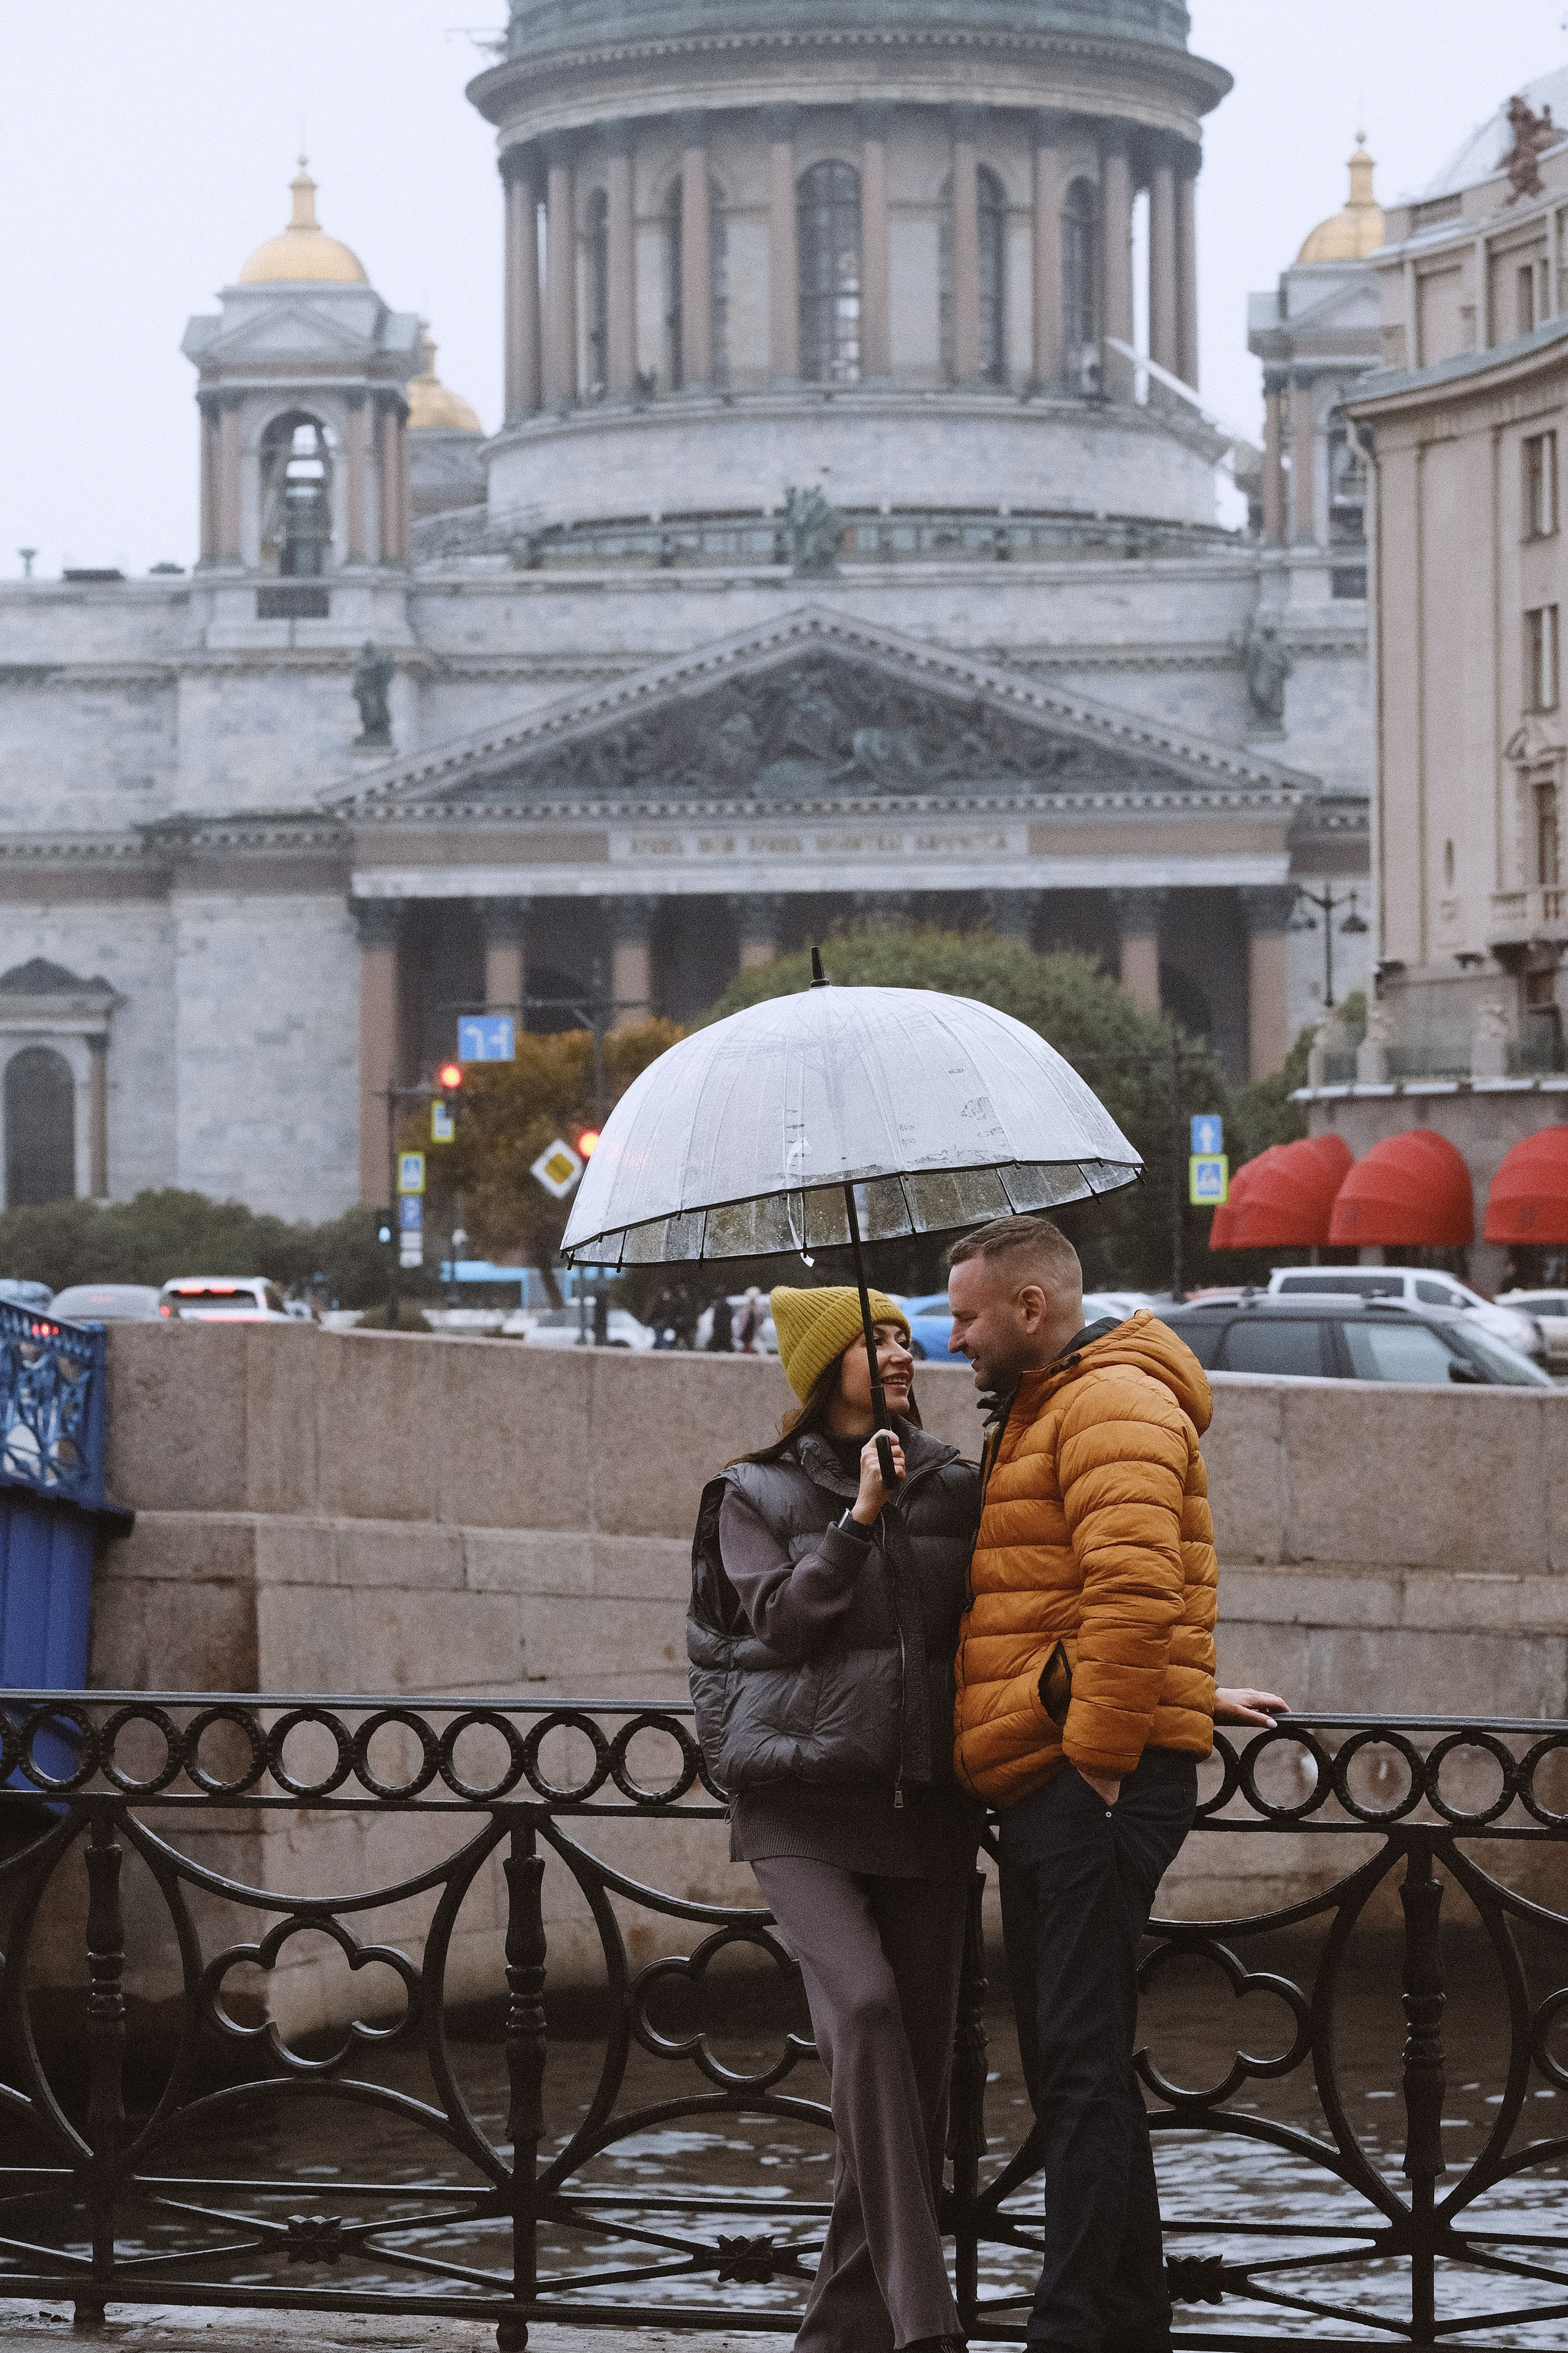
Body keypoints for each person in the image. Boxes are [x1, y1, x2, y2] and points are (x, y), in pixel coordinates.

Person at [947, 1214, 1285, 2353]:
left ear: (1030, 1308)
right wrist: (1186, 1691)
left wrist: (1097, 1759)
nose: (956, 1340)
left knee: (1080, 2062)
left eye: (968, 1316)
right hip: (1078, 1767)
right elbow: (1091, 1593)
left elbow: (1133, 1596)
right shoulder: (1062, 1402)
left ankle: (1078, 2327)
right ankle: (1127, 2316)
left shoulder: (1110, 1402)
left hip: (1088, 1782)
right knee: (1069, 2058)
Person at [688, 1285, 981, 2353]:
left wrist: (1188, 1690)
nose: (903, 1351)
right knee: (862, 2011)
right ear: (823, 1366)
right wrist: (858, 1518)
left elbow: (1030, 1607)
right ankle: (926, 2325)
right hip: (799, 1805)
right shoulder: (750, 1492)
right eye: (876, 1337)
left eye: (906, 1333)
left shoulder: (953, 1482)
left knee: (908, 2098)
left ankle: (834, 2341)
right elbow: (784, 1622)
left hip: (927, 1808)